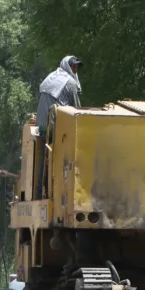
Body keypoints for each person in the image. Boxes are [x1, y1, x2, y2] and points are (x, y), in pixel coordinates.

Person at [35, 56, 83, 198]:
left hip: (43, 126)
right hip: (56, 127)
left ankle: (39, 191)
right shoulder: (70, 83)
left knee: (46, 159)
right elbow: (77, 110)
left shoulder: (51, 77)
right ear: (68, 67)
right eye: (74, 67)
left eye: (77, 67)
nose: (75, 70)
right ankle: (61, 194)